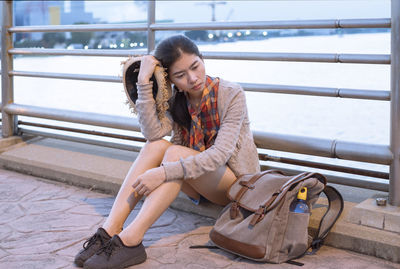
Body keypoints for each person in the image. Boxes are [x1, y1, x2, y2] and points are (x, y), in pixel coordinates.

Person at [74, 34, 260, 269]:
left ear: (202, 59)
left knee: (173, 154)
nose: (193, 79)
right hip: (198, 181)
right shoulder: (176, 99)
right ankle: (109, 230)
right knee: (157, 146)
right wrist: (144, 81)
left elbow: (220, 155)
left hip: (236, 188)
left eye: (195, 66)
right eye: (180, 76)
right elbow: (153, 134)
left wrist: (162, 173)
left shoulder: (231, 93)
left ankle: (131, 240)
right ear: (170, 80)